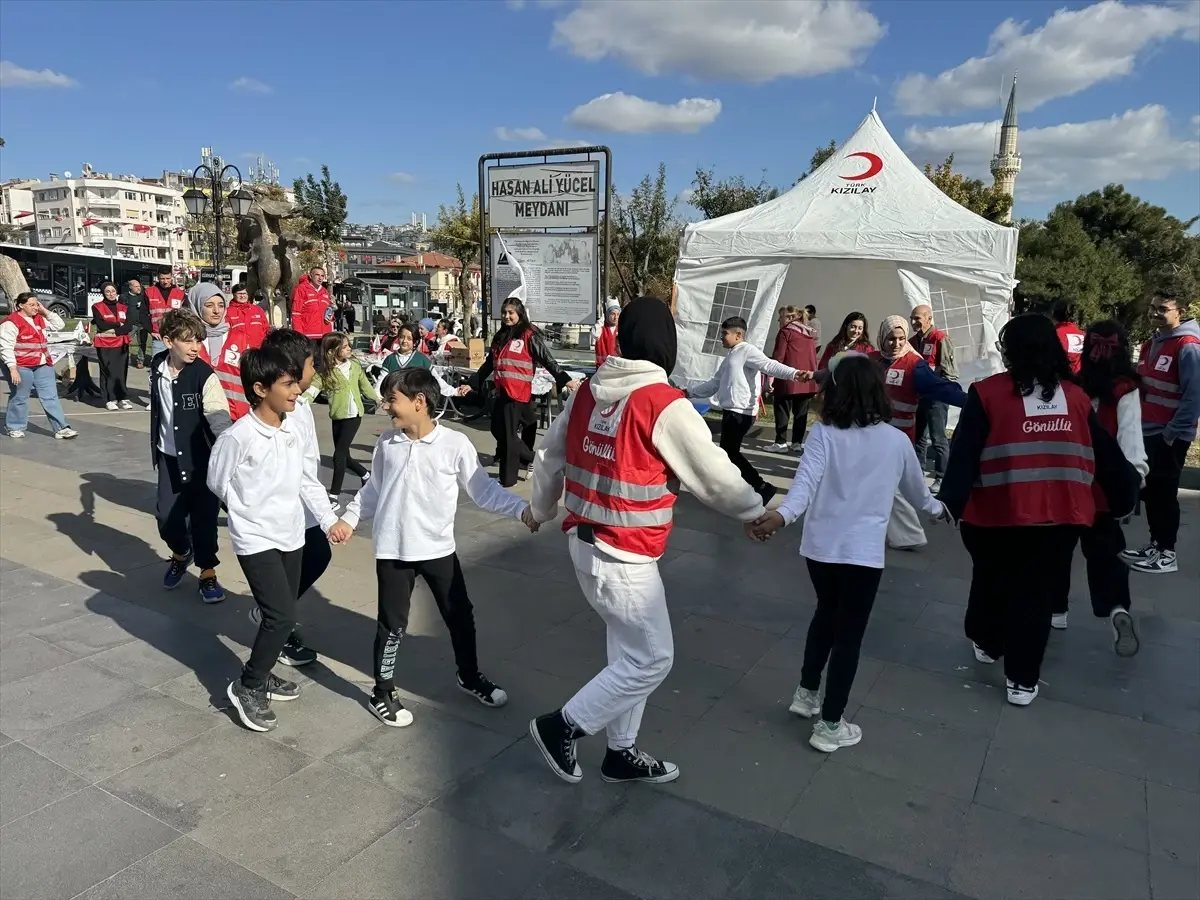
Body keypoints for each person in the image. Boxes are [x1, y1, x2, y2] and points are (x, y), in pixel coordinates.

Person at [526, 296, 767, 784]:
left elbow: (551, 455)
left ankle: (621, 751)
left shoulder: (589, 390)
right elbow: (715, 476)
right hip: (625, 555)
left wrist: (539, 507)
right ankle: (564, 727)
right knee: (653, 658)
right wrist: (757, 510)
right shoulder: (663, 403)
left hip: (585, 543)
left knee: (626, 649)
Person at [746, 353, 949, 751]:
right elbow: (918, 494)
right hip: (862, 555)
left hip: (820, 550)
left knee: (826, 614)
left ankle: (806, 693)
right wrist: (941, 510)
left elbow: (802, 487)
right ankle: (831, 724)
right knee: (849, 637)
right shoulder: (896, 441)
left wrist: (780, 517)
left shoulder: (823, 434)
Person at [938, 314, 1139, 707]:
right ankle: (1023, 681)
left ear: (1009, 351)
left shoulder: (987, 393)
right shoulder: (1077, 398)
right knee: (1036, 597)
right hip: (1058, 519)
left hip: (995, 516)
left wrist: (949, 503)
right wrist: (1123, 498)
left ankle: (986, 640)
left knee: (991, 582)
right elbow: (1106, 454)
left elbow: (964, 454)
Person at [340, 367, 535, 726]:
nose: (386, 407)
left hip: (437, 549)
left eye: (392, 400)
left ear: (420, 402)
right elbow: (373, 489)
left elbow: (483, 490)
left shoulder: (454, 444)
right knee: (392, 624)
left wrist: (521, 509)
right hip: (394, 550)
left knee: (460, 615)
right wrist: (349, 518)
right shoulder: (388, 443)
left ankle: (469, 675)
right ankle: (382, 692)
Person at [208, 345, 350, 733]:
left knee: (280, 615)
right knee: (282, 615)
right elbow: (217, 480)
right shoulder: (239, 437)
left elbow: (307, 480)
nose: (296, 391)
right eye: (287, 384)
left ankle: (263, 669)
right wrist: (246, 512)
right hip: (257, 540)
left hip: (292, 535)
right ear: (260, 388)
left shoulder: (290, 431)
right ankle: (248, 685)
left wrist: (327, 519)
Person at [1051, 321, 1147, 653]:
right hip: (1104, 492)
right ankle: (1117, 608)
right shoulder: (1126, 390)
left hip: (1066, 485)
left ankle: (1057, 610)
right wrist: (1132, 485)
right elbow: (1131, 443)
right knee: (1107, 555)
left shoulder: (1073, 387)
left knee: (1057, 552)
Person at [249, 328, 342, 667]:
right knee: (305, 562)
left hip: (303, 505)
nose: (314, 369)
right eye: (309, 363)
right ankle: (273, 639)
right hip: (285, 509)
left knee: (315, 557)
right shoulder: (279, 411)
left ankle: (274, 617)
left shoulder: (298, 405)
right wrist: (329, 517)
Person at [151, 309, 232, 603]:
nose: (195, 347)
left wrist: (228, 444)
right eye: (187, 341)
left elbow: (217, 414)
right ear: (167, 341)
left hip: (201, 462)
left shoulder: (203, 375)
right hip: (168, 458)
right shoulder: (157, 366)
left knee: (204, 520)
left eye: (198, 340)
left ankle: (208, 573)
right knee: (165, 518)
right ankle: (180, 552)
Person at [457, 292, 578, 487]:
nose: (506, 316)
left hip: (518, 393)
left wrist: (564, 379)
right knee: (501, 432)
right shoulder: (501, 336)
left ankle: (508, 478)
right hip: (503, 393)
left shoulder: (529, 335)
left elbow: (547, 359)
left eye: (511, 312)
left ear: (520, 314)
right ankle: (532, 459)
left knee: (509, 437)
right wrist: (471, 384)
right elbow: (489, 365)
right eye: (504, 312)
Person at [1124, 275, 1199, 575]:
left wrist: (1172, 434)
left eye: (1162, 309)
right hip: (1147, 431)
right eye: (1152, 307)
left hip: (1168, 436)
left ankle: (1167, 553)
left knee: (1165, 494)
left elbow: (1194, 396)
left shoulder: (1188, 346)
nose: (1154, 313)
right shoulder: (1152, 342)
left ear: (1180, 310)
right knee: (1153, 492)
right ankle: (1156, 545)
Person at [686, 315, 803, 505]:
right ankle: (743, 488)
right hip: (731, 410)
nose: (721, 337)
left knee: (729, 453)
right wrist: (689, 392)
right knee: (728, 452)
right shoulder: (731, 355)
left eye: (725, 334)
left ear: (738, 334)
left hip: (741, 412)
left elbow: (769, 365)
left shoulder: (748, 351)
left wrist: (795, 373)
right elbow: (715, 383)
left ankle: (760, 486)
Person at [307, 331, 377, 500]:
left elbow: (366, 387)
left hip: (354, 415)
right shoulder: (325, 372)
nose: (349, 349)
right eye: (344, 346)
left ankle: (334, 496)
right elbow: (312, 390)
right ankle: (366, 476)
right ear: (332, 351)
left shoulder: (354, 366)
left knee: (338, 456)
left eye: (348, 345)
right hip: (337, 416)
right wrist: (298, 402)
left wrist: (379, 399)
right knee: (344, 456)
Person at [1, 292, 78, 440]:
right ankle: (14, 427)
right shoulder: (11, 323)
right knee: (20, 396)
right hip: (21, 365)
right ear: (20, 306)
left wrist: (45, 310)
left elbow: (59, 324)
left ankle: (61, 428)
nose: (35, 307)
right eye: (31, 305)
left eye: (36, 304)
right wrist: (12, 369)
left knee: (50, 396)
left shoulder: (39, 319)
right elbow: (5, 347)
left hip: (42, 364)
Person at [188, 283, 261, 422]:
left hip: (235, 416)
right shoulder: (188, 341)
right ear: (197, 306)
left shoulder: (239, 337)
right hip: (198, 418)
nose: (216, 311)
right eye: (209, 305)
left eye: (221, 305)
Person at [910, 304, 958, 487]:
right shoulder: (912, 341)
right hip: (919, 395)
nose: (914, 322)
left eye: (917, 319)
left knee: (938, 438)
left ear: (928, 318)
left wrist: (944, 391)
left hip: (937, 396)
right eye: (912, 318)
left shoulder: (940, 338)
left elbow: (949, 370)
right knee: (919, 437)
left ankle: (941, 476)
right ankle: (918, 473)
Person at [765, 306, 818, 454]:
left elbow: (778, 358)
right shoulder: (808, 333)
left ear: (788, 318)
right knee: (801, 414)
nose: (778, 320)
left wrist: (769, 379)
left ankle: (781, 442)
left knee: (782, 411)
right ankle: (797, 443)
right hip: (807, 380)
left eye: (780, 317)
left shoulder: (785, 332)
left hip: (787, 378)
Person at [91, 281, 135, 411]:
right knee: (108, 372)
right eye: (108, 291)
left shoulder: (124, 307)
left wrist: (114, 329)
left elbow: (128, 326)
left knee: (121, 372)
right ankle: (109, 399)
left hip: (121, 344)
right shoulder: (97, 307)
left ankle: (122, 398)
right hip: (105, 345)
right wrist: (118, 326)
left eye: (113, 291)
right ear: (104, 293)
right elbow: (101, 325)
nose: (111, 294)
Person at [145, 270, 186, 357]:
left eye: (168, 278)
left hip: (175, 335)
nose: (165, 281)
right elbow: (142, 313)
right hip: (158, 336)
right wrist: (150, 330)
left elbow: (185, 314)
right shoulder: (149, 292)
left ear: (171, 277)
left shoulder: (180, 293)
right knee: (158, 366)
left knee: (176, 366)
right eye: (162, 279)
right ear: (158, 278)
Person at [291, 266, 333, 340]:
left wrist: (331, 316)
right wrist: (299, 335)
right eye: (317, 275)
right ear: (310, 276)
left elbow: (329, 311)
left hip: (325, 336)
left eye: (322, 276)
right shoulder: (301, 289)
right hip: (308, 336)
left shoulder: (325, 292)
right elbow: (296, 313)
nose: (320, 278)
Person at [225, 283, 270, 348]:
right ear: (234, 295)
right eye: (239, 294)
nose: (242, 296)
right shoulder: (228, 312)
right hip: (237, 351)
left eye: (244, 293)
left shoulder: (258, 310)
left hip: (258, 350)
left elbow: (266, 329)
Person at [1051, 300, 1086, 375]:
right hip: (1080, 380)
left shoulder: (1053, 334)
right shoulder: (1084, 335)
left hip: (1059, 380)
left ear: (1054, 314)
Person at [122, 279, 151, 369]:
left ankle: (140, 361)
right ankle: (124, 359)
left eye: (139, 286)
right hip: (130, 324)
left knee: (142, 343)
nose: (139, 288)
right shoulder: (124, 297)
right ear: (130, 287)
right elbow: (121, 310)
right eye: (136, 286)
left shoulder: (143, 296)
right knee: (125, 342)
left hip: (142, 325)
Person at [594, 299, 620, 367]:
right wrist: (602, 319)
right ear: (607, 315)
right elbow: (594, 333)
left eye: (618, 314)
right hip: (602, 369)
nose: (616, 317)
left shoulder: (621, 329)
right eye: (613, 314)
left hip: (616, 369)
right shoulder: (600, 330)